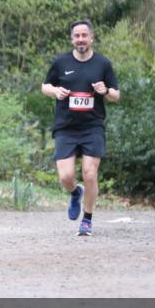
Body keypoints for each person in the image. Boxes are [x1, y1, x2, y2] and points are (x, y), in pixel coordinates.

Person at [40, 19, 120, 236]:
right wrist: (55, 91)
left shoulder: (102, 64)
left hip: (92, 127)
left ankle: (87, 220)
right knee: (65, 177)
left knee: (90, 173)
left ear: (91, 38)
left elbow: (116, 95)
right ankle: (76, 193)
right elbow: (45, 86)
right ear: (72, 39)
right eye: (77, 36)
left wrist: (105, 91)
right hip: (65, 127)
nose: (81, 39)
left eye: (84, 35)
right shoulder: (61, 63)